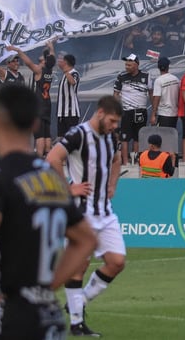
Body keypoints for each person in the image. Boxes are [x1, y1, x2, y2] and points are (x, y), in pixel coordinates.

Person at [0, 84, 96, 339]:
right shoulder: (50, 178)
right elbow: (87, 238)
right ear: (36, 124)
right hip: (48, 316)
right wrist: (50, 285)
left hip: (4, 313)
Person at [47, 96, 124, 338]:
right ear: (100, 113)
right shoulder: (78, 134)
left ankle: (77, 303)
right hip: (82, 212)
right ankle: (77, 323)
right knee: (79, 266)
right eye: (112, 121)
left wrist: (112, 185)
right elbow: (52, 158)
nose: (114, 126)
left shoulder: (111, 137)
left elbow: (117, 160)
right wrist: (67, 188)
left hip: (105, 211)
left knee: (117, 262)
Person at [112, 53, 151, 163]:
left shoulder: (146, 76)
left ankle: (136, 160)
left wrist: (154, 112)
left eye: (129, 65)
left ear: (136, 65)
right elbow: (115, 94)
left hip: (141, 110)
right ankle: (125, 161)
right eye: (126, 65)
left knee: (138, 137)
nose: (127, 67)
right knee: (124, 137)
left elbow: (152, 94)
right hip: (126, 112)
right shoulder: (121, 76)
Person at [150, 56, 179, 128]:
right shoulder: (176, 79)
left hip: (163, 114)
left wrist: (153, 114)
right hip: (174, 113)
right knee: (170, 135)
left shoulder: (158, 80)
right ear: (168, 67)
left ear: (158, 67)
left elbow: (157, 97)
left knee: (163, 136)